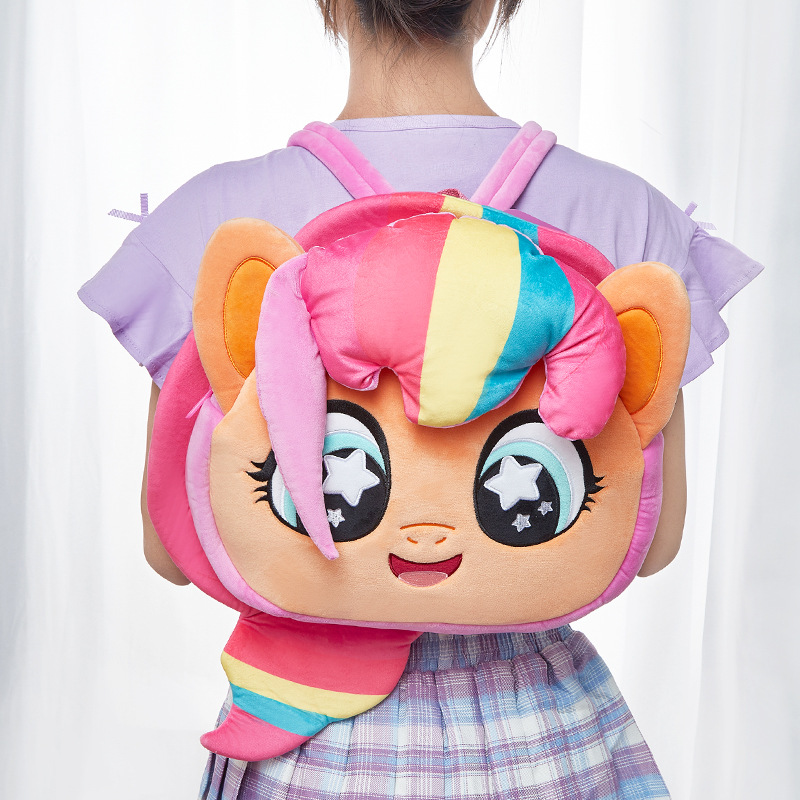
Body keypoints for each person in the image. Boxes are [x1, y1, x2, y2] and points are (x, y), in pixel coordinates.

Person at [78, 1, 762, 797]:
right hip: (539, 728)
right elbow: (653, 540)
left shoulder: (214, 219)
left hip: (305, 726)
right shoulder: (627, 214)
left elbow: (171, 549)